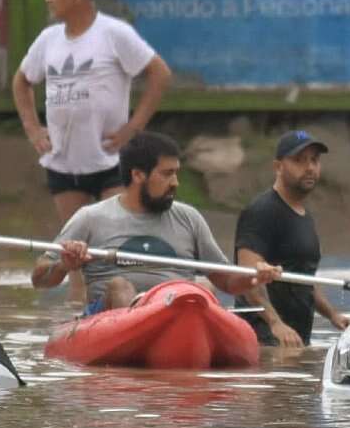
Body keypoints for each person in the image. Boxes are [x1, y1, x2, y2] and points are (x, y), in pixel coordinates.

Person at [35, 130, 277, 316]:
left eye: (176, 173)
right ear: (138, 175)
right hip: (111, 317)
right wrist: (63, 266)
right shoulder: (91, 217)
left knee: (204, 287)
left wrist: (254, 277)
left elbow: (227, 282)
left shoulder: (189, 218)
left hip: (175, 311)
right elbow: (40, 279)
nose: (175, 183)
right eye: (166, 173)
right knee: (119, 285)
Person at [14, 0, 171, 227]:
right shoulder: (49, 38)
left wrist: (134, 127)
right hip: (64, 162)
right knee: (76, 245)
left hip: (111, 159)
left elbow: (160, 73)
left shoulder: (114, 33)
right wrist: (32, 128)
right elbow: (21, 81)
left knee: (115, 238)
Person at [234, 131, 350, 351]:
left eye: (314, 160)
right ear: (278, 167)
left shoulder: (303, 214)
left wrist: (333, 315)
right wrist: (276, 324)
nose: (309, 168)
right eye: (299, 160)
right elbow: (248, 277)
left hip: (295, 341)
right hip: (264, 341)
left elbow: (303, 278)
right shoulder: (262, 212)